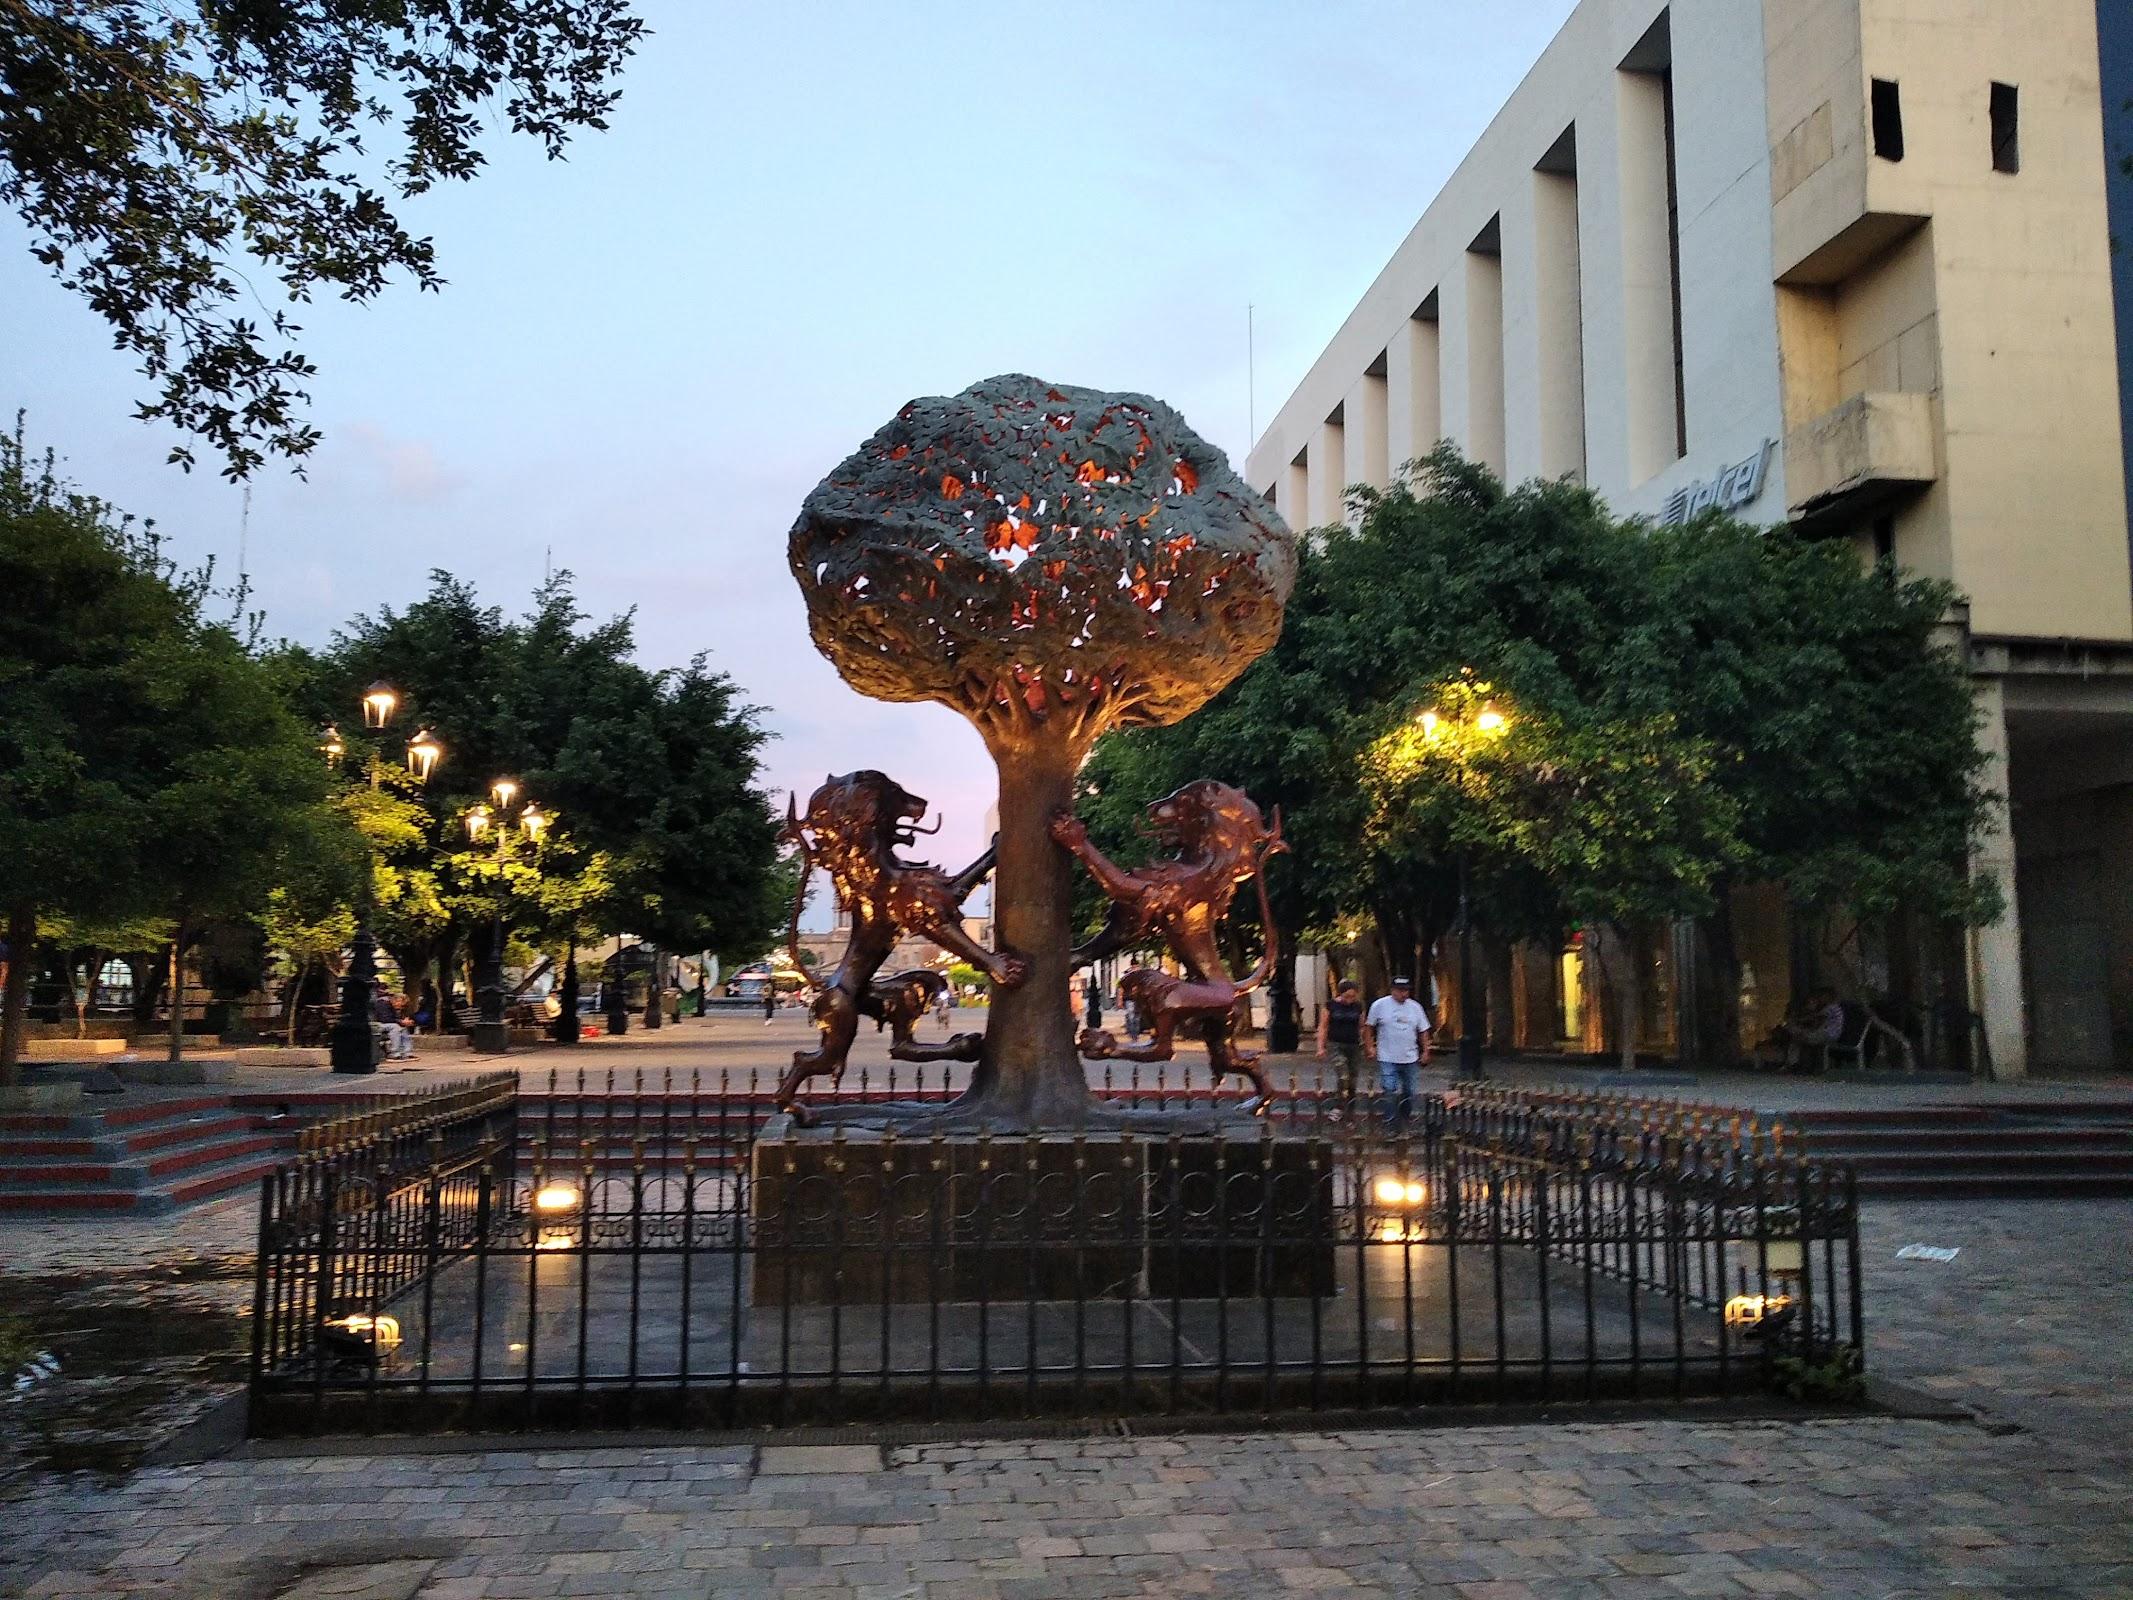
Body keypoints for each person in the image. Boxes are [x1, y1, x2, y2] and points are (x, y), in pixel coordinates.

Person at [1364, 976, 1433, 1128]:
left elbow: (1423, 1030)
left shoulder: (1415, 1007)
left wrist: (1426, 1050)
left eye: (1406, 990)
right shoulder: (1379, 1005)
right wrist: (1370, 1046)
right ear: (1393, 990)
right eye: (1401, 990)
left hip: (1410, 1056)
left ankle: (1405, 1116)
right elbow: (1369, 1027)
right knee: (1389, 1089)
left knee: (1410, 1090)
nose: (1404, 994)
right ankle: (1390, 1122)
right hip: (1387, 1056)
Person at [1315, 981, 1366, 1115]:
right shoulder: (1331, 1006)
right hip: (1336, 1044)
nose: (1350, 1000)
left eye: (1353, 996)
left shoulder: (1358, 1006)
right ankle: (1338, 1105)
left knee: (1353, 1079)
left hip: (1354, 1045)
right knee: (1343, 1075)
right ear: (1340, 994)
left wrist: (1367, 1045)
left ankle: (1350, 1107)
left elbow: (1363, 1026)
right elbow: (1323, 1027)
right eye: (1347, 996)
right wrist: (1321, 1047)